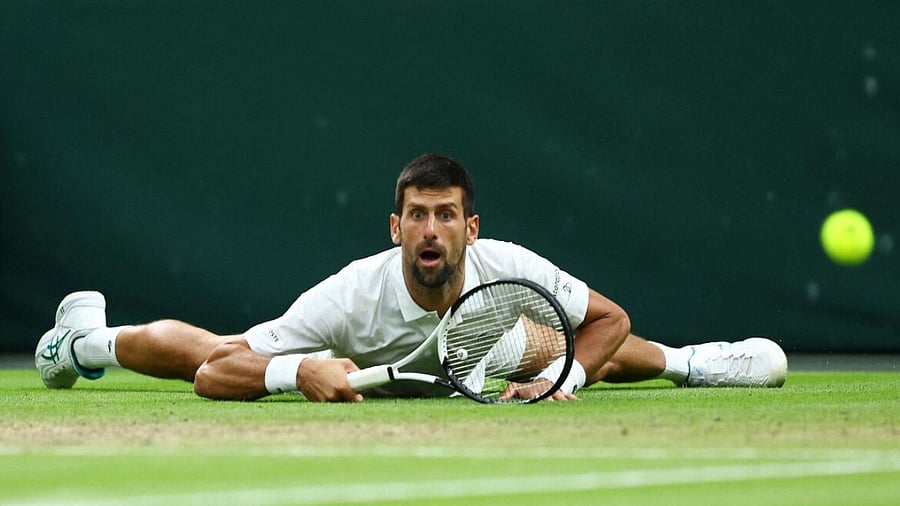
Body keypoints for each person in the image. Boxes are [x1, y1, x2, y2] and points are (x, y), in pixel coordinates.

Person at [35, 153, 788, 402]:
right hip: (357, 354)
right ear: (396, 230)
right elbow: (215, 373)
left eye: (446, 216)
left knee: (549, 341)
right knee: (208, 347)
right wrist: (300, 373)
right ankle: (85, 342)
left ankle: (697, 363)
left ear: (471, 228)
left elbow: (608, 321)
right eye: (417, 217)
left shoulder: (507, 267)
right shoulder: (349, 293)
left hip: (475, 343)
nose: (432, 230)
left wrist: (564, 385)